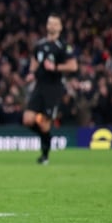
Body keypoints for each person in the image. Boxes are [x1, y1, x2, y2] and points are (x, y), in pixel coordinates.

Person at [22, 13, 77, 165]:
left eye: (54, 23)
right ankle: (46, 138)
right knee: (27, 119)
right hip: (39, 85)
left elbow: (73, 66)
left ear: (60, 27)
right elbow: (34, 60)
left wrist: (56, 67)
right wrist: (32, 73)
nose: (51, 26)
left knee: (44, 123)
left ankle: (44, 155)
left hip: (54, 88)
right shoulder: (40, 44)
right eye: (49, 23)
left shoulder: (64, 46)